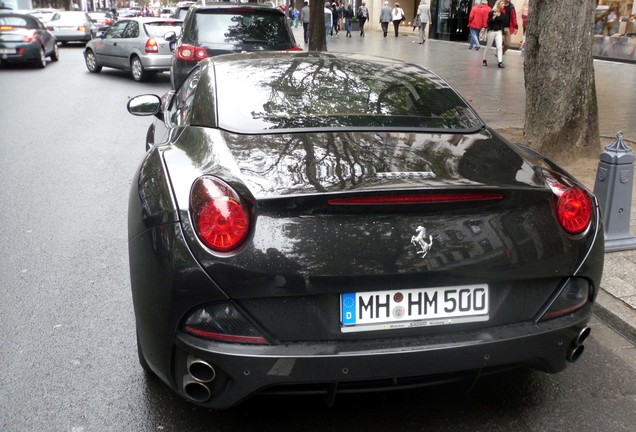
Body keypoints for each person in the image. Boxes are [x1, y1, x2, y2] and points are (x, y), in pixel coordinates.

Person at [482, 1, 504, 68]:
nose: (503, 5)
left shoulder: (502, 14)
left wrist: (503, 34)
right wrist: (493, 18)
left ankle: (500, 62)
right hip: (491, 31)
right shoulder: (492, 12)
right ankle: (484, 59)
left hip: (499, 32)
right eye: (502, 4)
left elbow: (502, 24)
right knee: (488, 46)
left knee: (499, 46)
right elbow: (488, 22)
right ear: (498, 4)